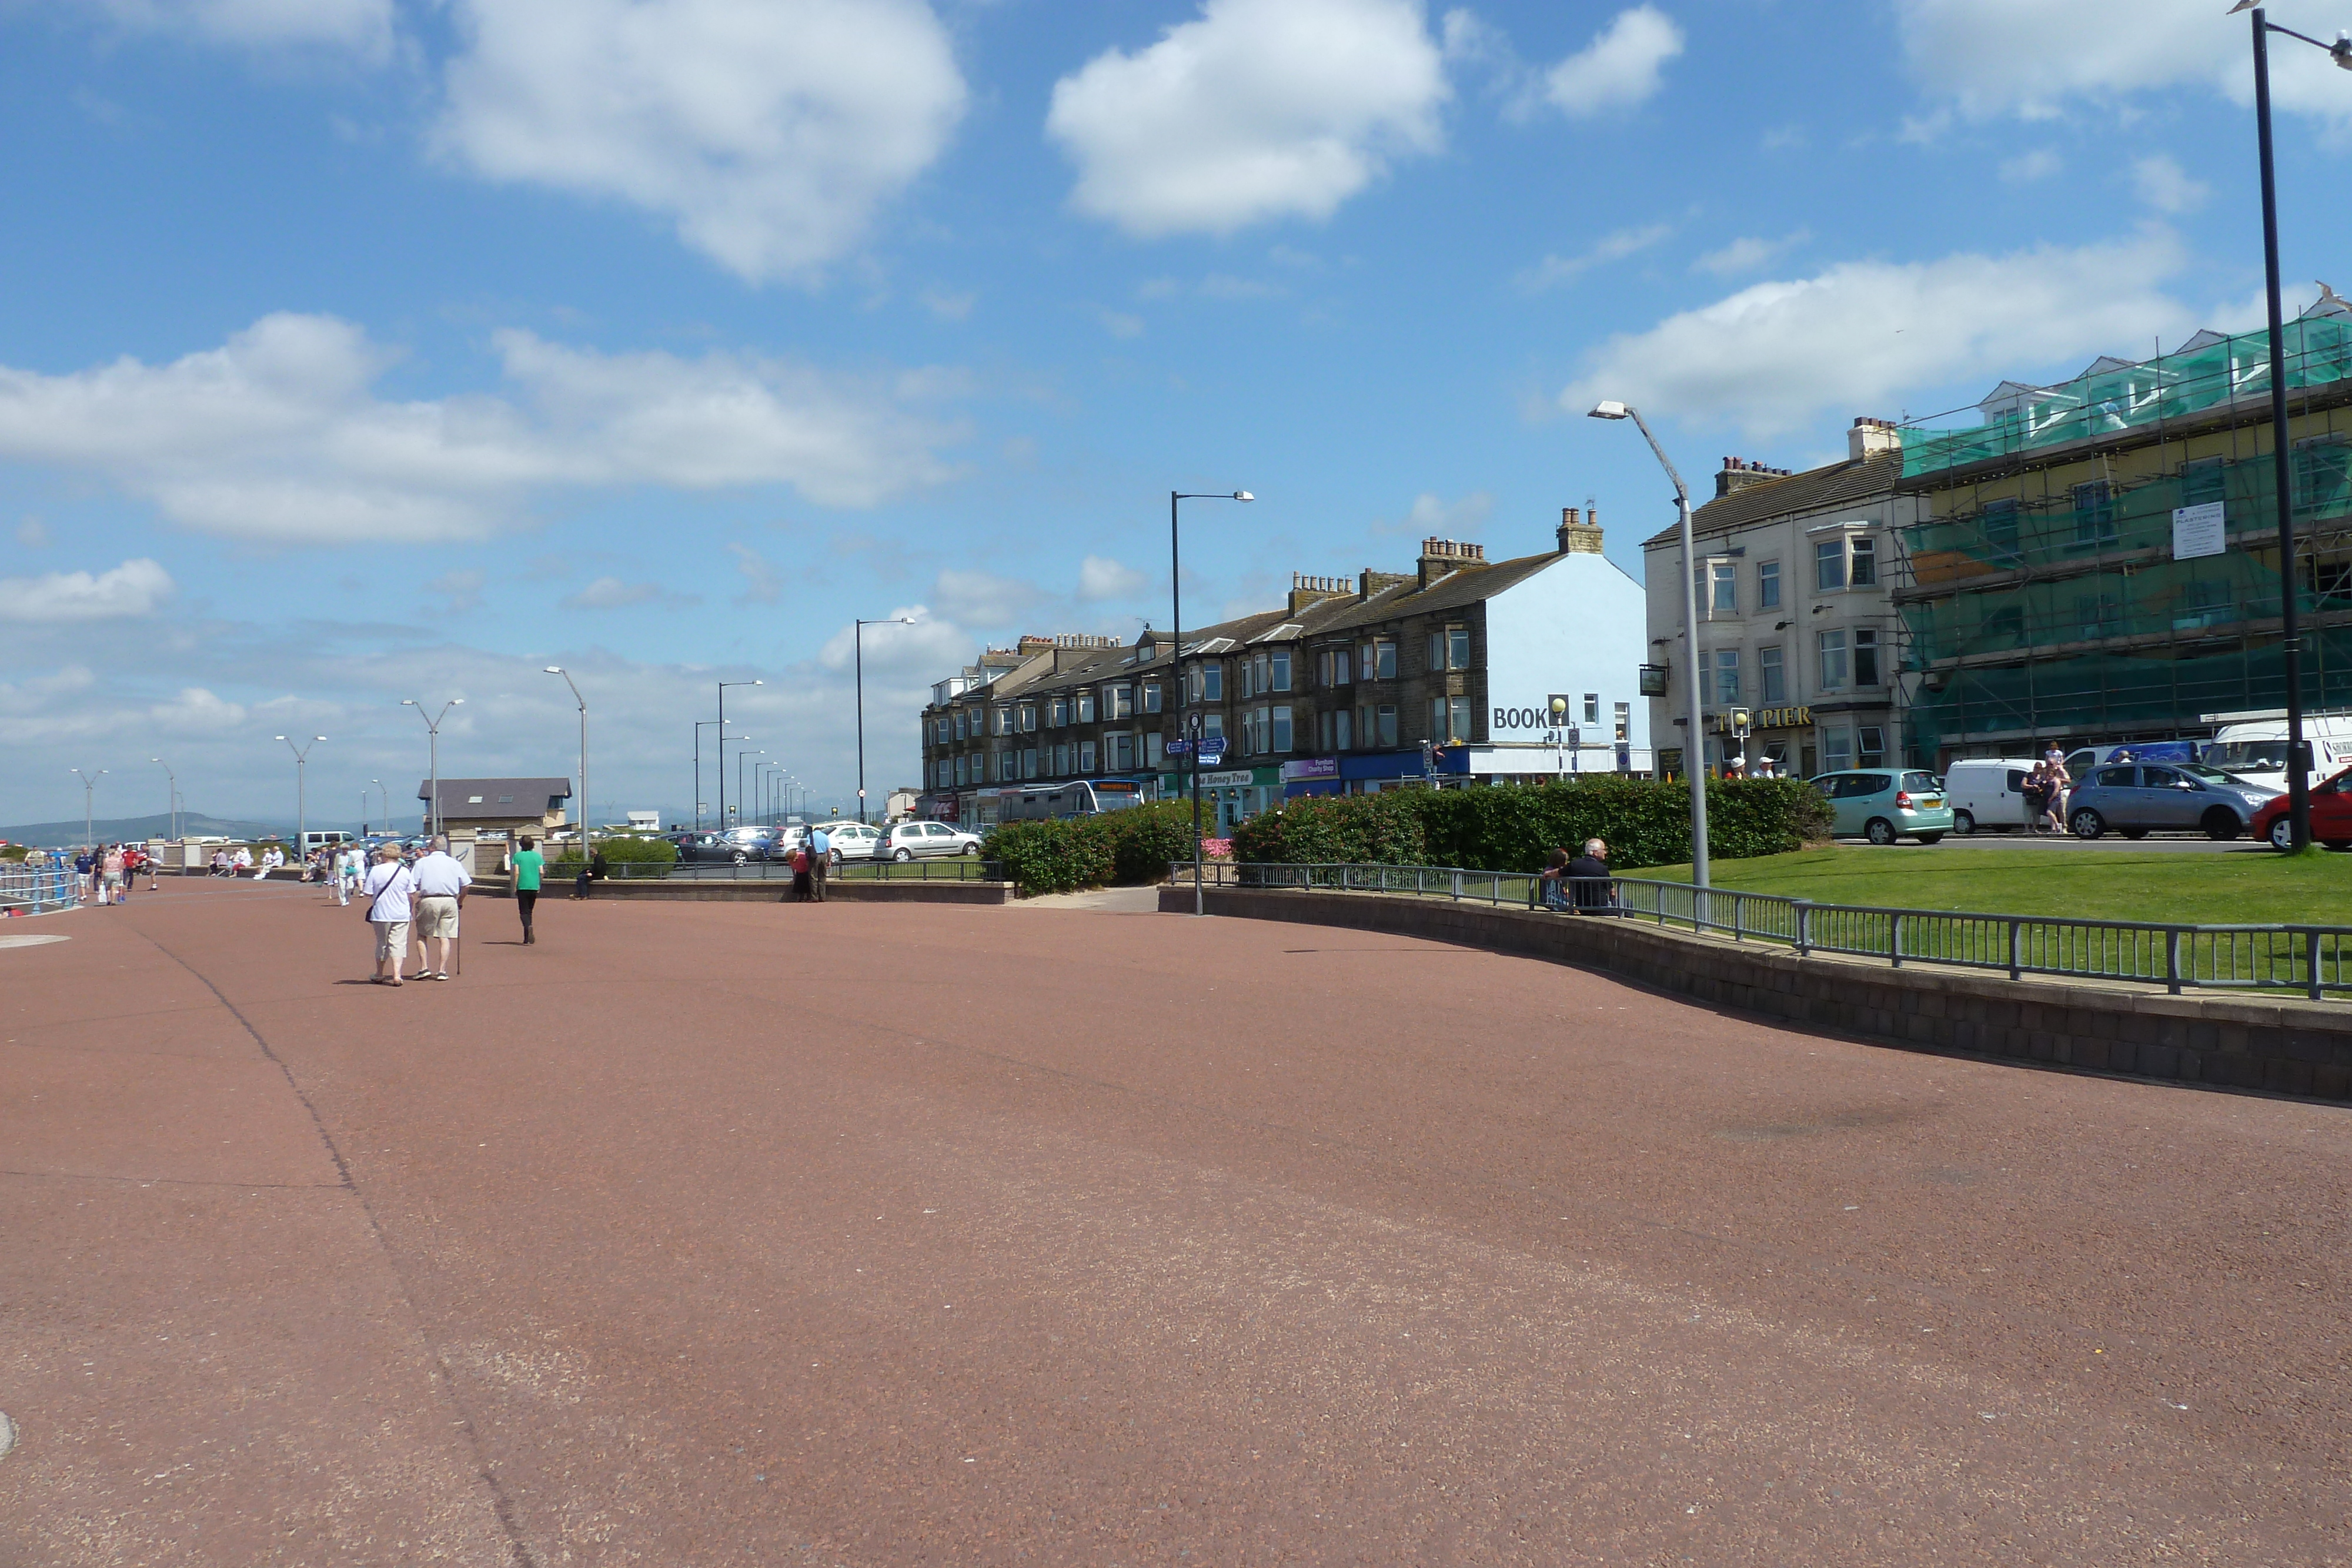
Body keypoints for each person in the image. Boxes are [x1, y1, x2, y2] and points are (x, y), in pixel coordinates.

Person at [409, 835, 470, 981]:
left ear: (432, 848)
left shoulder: (422, 863)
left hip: (429, 899)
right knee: (445, 936)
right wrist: (460, 901)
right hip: (450, 900)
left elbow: (412, 885)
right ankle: (442, 970)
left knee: (422, 934)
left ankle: (424, 967)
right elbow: (466, 885)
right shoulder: (454, 863)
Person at [361, 843, 416, 986]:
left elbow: (368, 892)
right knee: (399, 944)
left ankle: (380, 973)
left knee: (382, 943)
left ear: (384, 855)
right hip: (401, 912)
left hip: (381, 912)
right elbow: (411, 893)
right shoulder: (405, 871)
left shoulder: (375, 870)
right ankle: (397, 975)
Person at [1568, 838, 1618, 915]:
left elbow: (1558, 873)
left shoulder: (1574, 864)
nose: (1605, 852)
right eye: (1604, 850)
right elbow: (1612, 892)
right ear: (1595, 853)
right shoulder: (1602, 868)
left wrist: (1549, 873)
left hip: (1582, 907)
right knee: (1627, 904)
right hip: (1601, 908)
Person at [511, 835, 544, 945]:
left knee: (523, 912)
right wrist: (539, 884)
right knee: (529, 911)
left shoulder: (517, 856)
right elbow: (541, 872)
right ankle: (526, 938)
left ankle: (528, 927)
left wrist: (515, 886)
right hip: (534, 886)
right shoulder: (537, 856)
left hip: (523, 886)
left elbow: (516, 872)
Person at [1538, 847, 1572, 912]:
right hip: (1554, 905)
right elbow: (1550, 896)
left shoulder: (1553, 872)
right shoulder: (1550, 875)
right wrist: (1567, 906)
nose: (1566, 864)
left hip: (1559, 902)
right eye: (1565, 861)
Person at [807, 823, 831, 903]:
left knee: (813, 876)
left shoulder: (810, 836)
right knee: (822, 877)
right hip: (823, 856)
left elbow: (807, 846)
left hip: (814, 856)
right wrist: (829, 860)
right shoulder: (825, 836)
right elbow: (829, 850)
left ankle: (814, 897)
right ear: (821, 830)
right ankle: (823, 897)